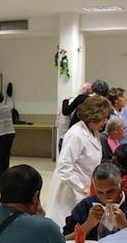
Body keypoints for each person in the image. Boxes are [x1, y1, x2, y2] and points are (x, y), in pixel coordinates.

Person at [47, 96, 110, 227]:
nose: (105, 122)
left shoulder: (93, 131)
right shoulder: (76, 135)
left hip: (85, 184)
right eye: (103, 119)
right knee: (67, 226)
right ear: (92, 117)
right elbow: (64, 167)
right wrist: (82, 188)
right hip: (71, 188)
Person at [63, 163, 127, 241]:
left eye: (110, 191)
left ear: (122, 185)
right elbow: (64, 240)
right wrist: (88, 225)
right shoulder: (84, 206)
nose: (105, 197)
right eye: (99, 192)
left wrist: (125, 227)